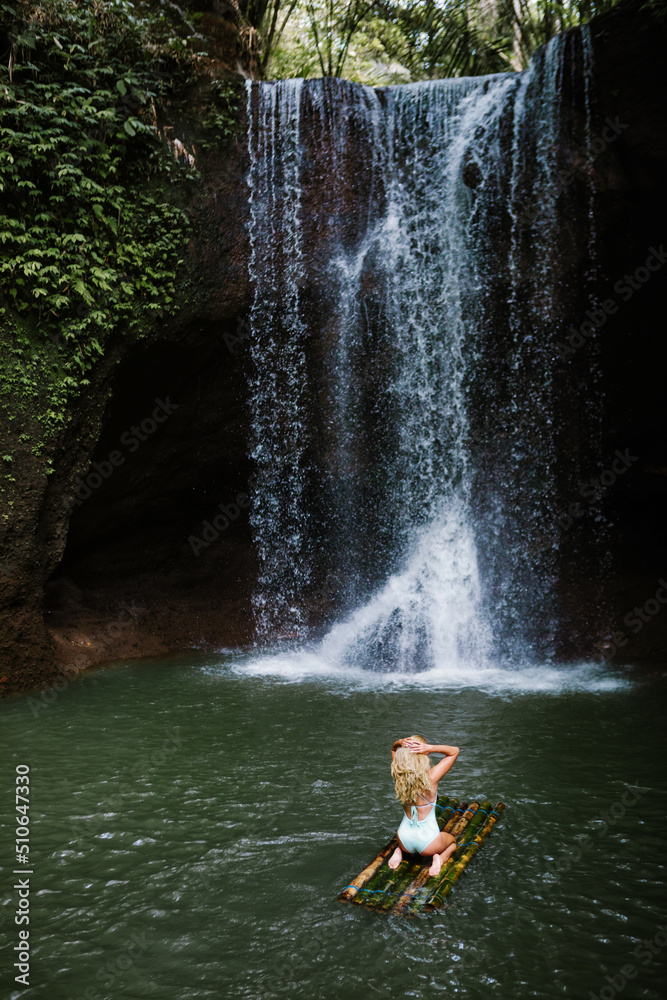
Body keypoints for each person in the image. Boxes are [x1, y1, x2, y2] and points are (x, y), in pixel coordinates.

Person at [388, 735, 460, 877]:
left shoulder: (399, 775)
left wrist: (400, 742)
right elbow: (454, 751)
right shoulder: (431, 778)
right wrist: (430, 748)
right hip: (428, 842)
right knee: (453, 843)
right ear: (423, 754)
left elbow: (393, 749)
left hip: (403, 838)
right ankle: (440, 859)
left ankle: (399, 852)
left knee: (405, 841)